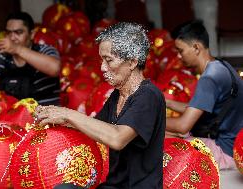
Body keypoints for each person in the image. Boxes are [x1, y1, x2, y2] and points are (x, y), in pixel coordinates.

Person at [35, 22, 166, 189]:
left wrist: (67, 113)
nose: (102, 68)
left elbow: (117, 138)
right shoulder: (117, 95)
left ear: (132, 62)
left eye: (109, 60)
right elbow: (94, 128)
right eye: (102, 60)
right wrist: (53, 116)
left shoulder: (149, 95)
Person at [165, 20, 243, 170]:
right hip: (234, 145)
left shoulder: (209, 78)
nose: (179, 57)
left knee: (158, 135)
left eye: (180, 51)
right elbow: (196, 109)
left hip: (225, 152)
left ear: (196, 47)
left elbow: (182, 125)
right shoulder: (222, 65)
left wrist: (148, 118)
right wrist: (167, 102)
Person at [0, 12, 61, 105]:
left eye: (19, 32)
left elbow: (54, 69)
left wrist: (17, 49)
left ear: (32, 34)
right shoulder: (1, 55)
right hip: (11, 118)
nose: (12, 38)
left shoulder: (45, 50)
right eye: (9, 33)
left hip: (46, 118)